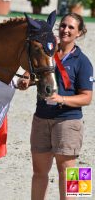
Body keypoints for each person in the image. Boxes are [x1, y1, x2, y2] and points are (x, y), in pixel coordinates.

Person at [18, 12, 93, 200]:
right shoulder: (47, 50)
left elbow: (87, 98)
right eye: (63, 25)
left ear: (80, 33)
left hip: (68, 121)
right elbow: (32, 65)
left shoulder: (83, 62)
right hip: (41, 118)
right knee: (38, 172)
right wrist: (26, 77)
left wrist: (62, 99)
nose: (65, 30)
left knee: (70, 173)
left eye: (71, 27)